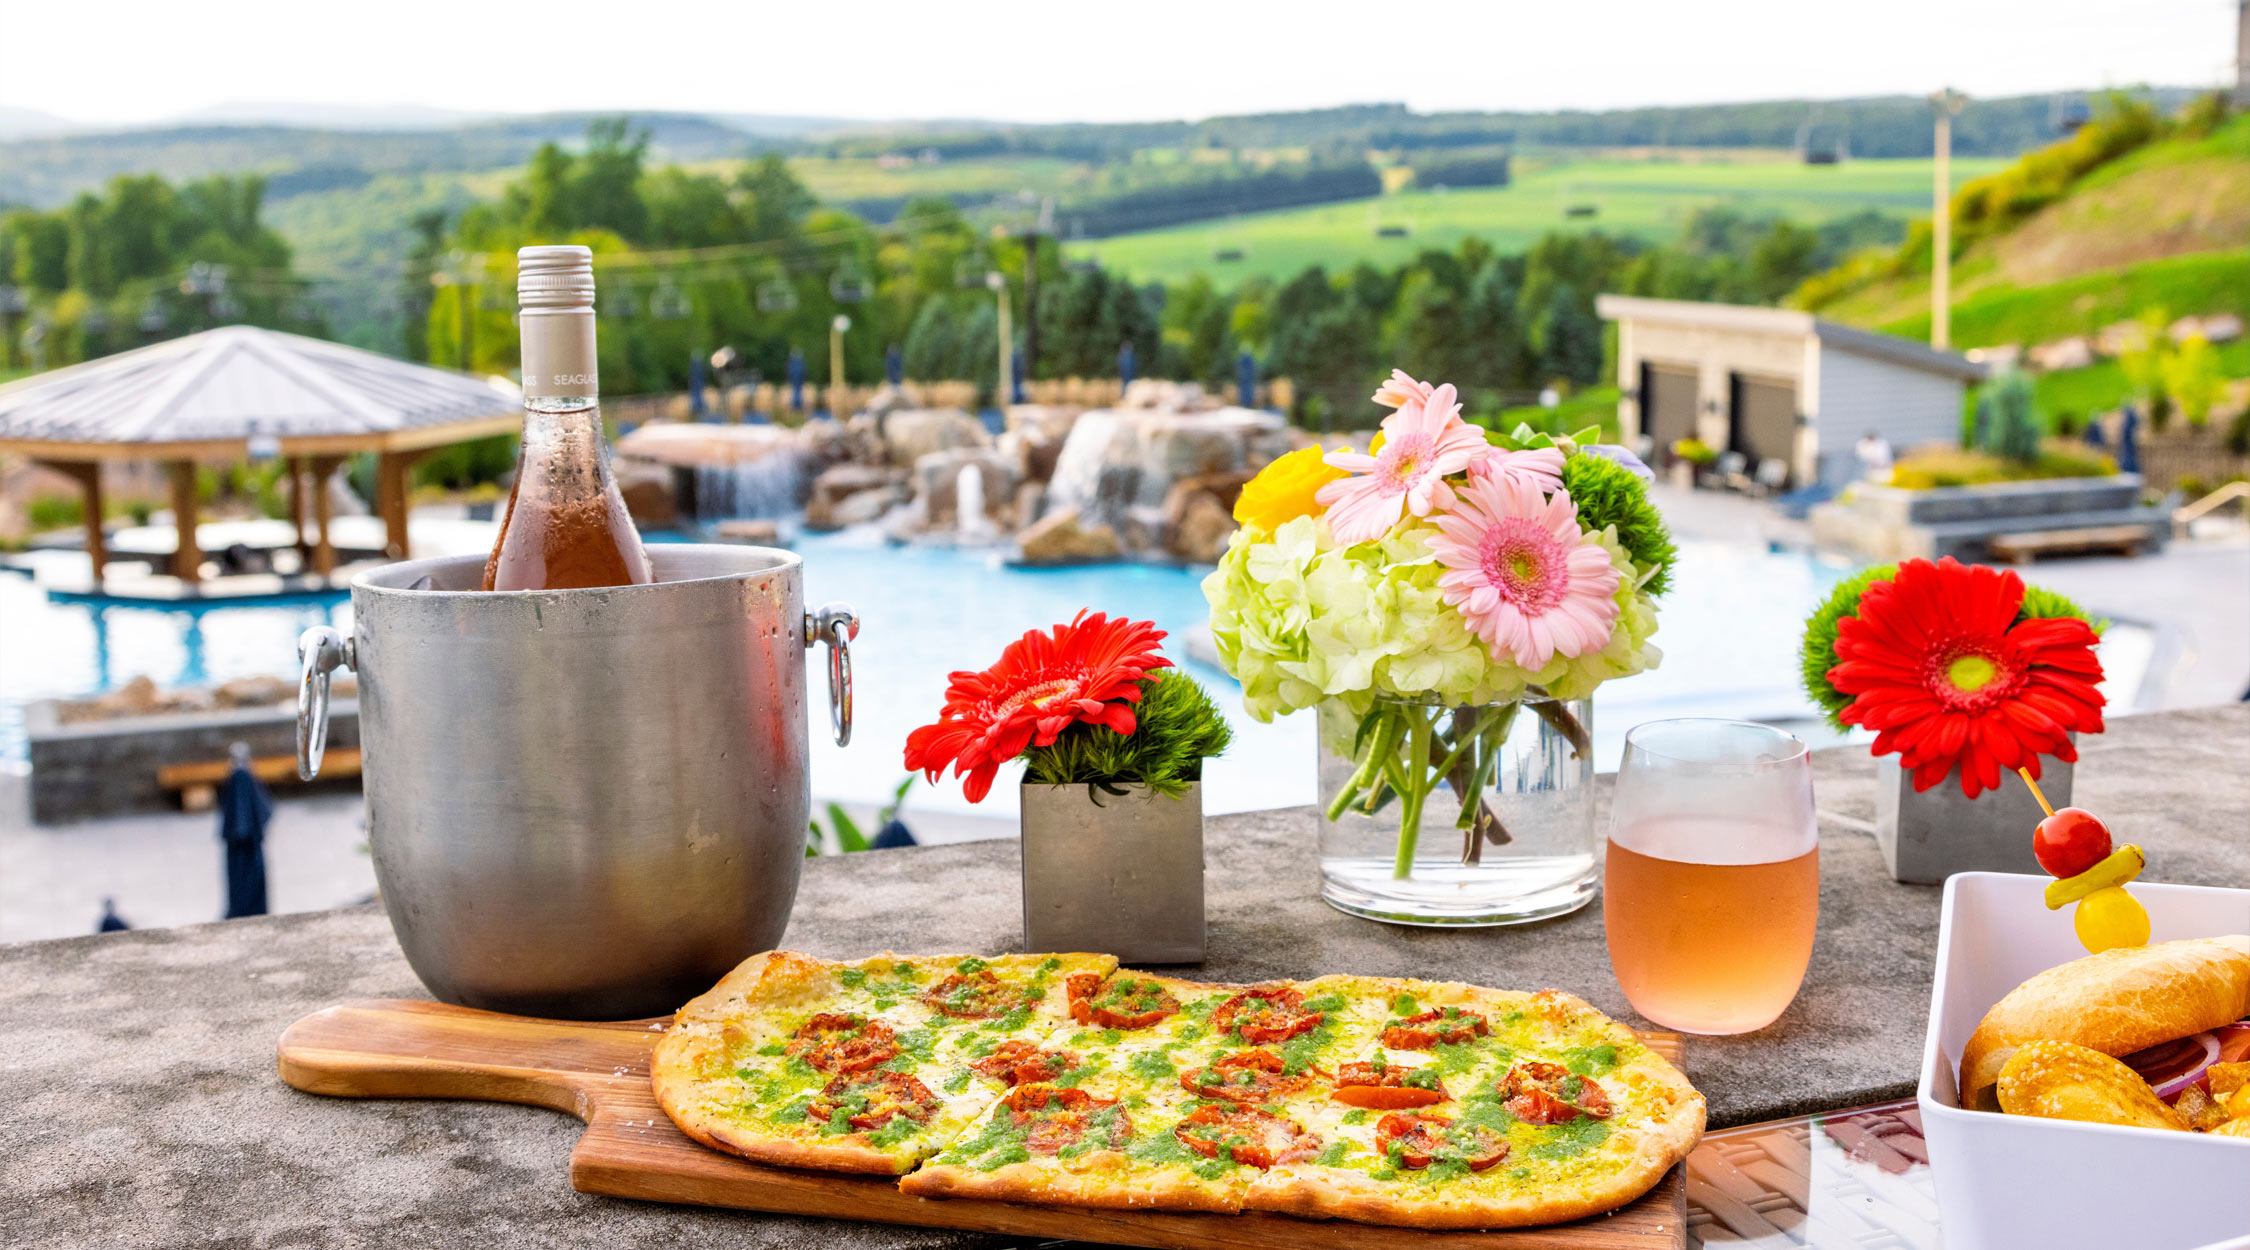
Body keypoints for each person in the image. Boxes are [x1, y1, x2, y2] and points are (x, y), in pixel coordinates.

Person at [217, 741, 272, 919]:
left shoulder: (240, 777)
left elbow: (244, 819)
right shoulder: (241, 777)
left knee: (246, 883)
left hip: (246, 844)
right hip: (244, 845)